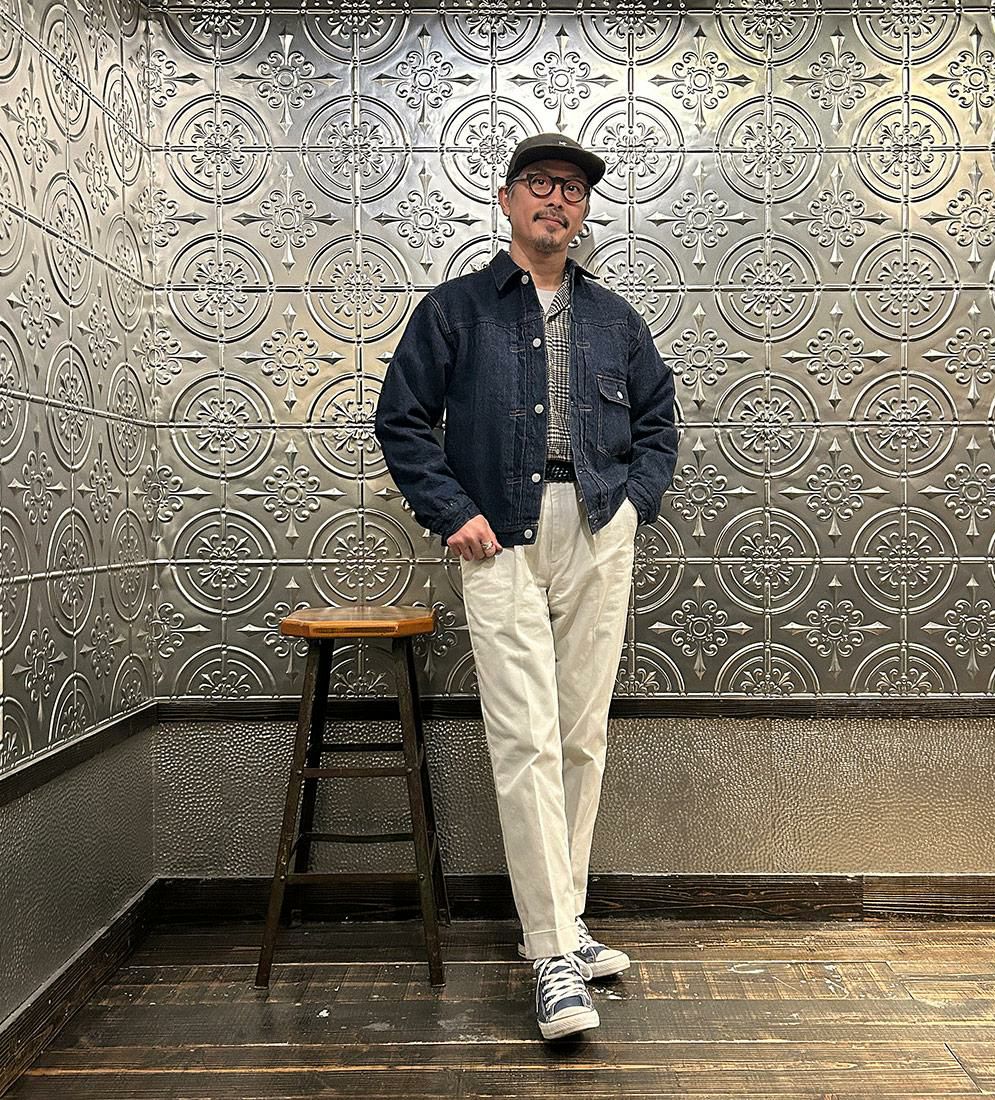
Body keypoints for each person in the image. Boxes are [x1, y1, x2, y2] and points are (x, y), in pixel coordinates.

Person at [374, 133, 677, 1040]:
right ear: (508, 200)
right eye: (541, 184)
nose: (558, 200)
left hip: (596, 527)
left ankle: (565, 924)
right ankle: (550, 955)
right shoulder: (455, 311)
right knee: (524, 737)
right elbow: (402, 420)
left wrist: (632, 508)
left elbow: (659, 424)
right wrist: (450, 510)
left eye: (574, 190)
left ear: (584, 213)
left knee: (581, 736)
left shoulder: (617, 320)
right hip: (498, 536)